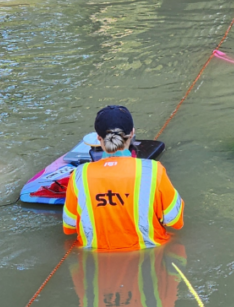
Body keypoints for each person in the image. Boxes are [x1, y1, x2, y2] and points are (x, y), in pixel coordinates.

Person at [63, 105, 184, 251]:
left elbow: (69, 227)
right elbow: (175, 220)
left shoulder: (78, 175)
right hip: (150, 256)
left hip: (96, 262)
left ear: (98, 138)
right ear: (132, 133)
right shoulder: (154, 170)